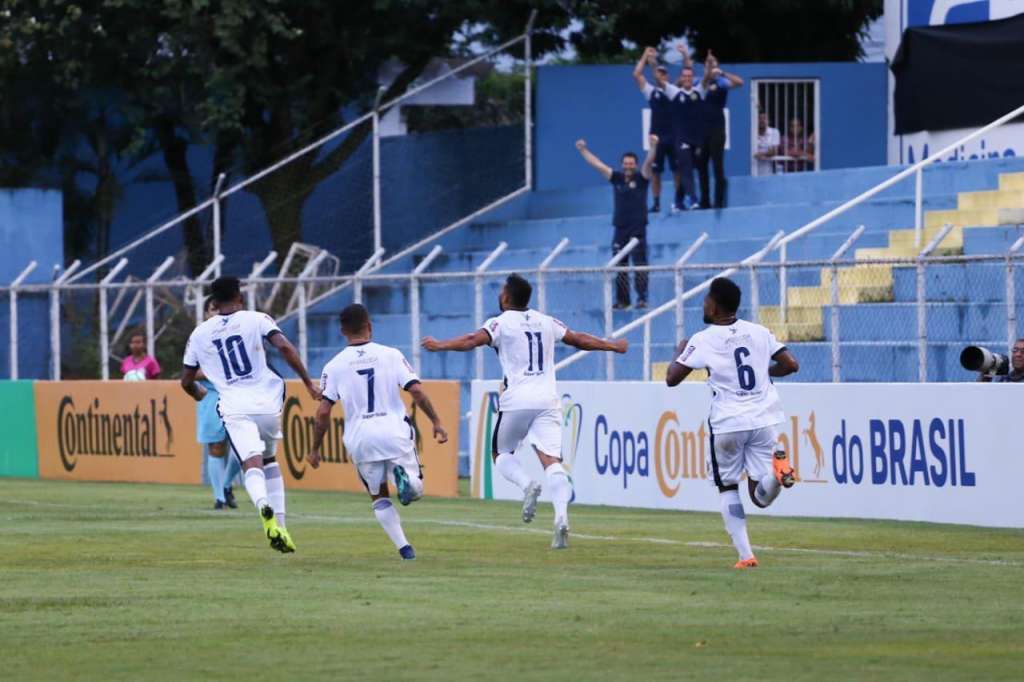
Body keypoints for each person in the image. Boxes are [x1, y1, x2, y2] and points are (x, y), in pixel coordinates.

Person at [421, 274, 628, 549]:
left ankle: (526, 484)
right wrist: (612, 345)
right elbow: (578, 339)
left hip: (517, 399)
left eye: (502, 291)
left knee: (500, 454)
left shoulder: (500, 323)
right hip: (547, 400)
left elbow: (472, 339)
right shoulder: (547, 321)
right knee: (552, 461)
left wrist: (440, 345)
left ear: (507, 297)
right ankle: (561, 517)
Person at [665, 277, 800, 569]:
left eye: (706, 299)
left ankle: (746, 555)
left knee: (728, 488)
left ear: (715, 306)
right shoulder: (759, 331)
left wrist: (679, 351)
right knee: (760, 496)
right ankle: (778, 475)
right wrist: (766, 376)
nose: (703, 304)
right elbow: (791, 364)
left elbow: (672, 379)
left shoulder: (703, 339)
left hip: (728, 422)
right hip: (764, 419)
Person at [180, 276, 322, 554]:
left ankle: (263, 508)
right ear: (240, 297)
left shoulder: (199, 334)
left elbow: (185, 380)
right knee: (270, 461)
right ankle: (280, 525)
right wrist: (306, 382)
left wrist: (197, 393)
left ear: (214, 302)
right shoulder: (257, 319)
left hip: (234, 406)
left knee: (251, 465)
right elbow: (284, 346)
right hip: (266, 402)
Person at [309, 304, 449, 561]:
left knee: (378, 496)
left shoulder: (333, 366)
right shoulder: (391, 355)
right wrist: (436, 421)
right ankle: (406, 480)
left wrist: (315, 448)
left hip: (360, 438)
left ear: (342, 331)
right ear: (370, 326)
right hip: (394, 431)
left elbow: (323, 413)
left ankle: (404, 548)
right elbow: (416, 391)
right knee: (416, 490)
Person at [575, 136, 657, 309]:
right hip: (620, 228)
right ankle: (623, 300)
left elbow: (649, 162)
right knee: (620, 265)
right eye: (626, 163)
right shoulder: (617, 178)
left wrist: (653, 147)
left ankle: (642, 298)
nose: (628, 166)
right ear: (622, 164)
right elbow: (597, 165)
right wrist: (583, 150)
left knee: (640, 264)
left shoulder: (642, 178)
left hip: (638, 228)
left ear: (635, 164)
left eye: (631, 163)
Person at [196, 296, 241, 510]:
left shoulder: (239, 333)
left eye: (219, 308)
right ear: (206, 314)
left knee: (242, 446)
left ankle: (225, 485)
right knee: (216, 447)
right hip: (212, 396)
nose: (216, 312)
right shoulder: (199, 338)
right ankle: (219, 498)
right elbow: (189, 372)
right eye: (212, 309)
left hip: (239, 393)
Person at [633, 46, 679, 213]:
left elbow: (659, 80)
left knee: (677, 170)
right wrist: (645, 55)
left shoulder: (673, 91)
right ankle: (657, 203)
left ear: (667, 76)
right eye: (659, 73)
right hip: (656, 137)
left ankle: (678, 201)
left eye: (663, 73)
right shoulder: (650, 92)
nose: (660, 75)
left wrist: (653, 66)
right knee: (655, 172)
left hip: (673, 136)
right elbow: (636, 75)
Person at [697, 50, 743, 209]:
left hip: (717, 127)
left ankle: (718, 201)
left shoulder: (721, 82)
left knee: (717, 165)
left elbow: (739, 82)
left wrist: (721, 72)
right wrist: (709, 70)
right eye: (708, 64)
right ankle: (704, 201)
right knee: (701, 164)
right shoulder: (700, 82)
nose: (711, 66)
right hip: (702, 129)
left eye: (714, 63)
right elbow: (702, 84)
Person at [672, 43, 706, 211]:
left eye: (689, 76)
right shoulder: (674, 92)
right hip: (681, 139)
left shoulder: (699, 90)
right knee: (686, 169)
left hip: (696, 139)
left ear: (692, 78)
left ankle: (678, 201)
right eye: (684, 76)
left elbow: (705, 78)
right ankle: (693, 199)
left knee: (688, 169)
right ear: (680, 78)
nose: (687, 78)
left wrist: (686, 53)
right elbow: (658, 81)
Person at [753, 107, 781, 176]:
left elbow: (774, 151)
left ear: (768, 121)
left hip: (768, 171)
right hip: (752, 169)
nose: (762, 121)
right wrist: (767, 152)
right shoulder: (751, 133)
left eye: (764, 118)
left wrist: (761, 154)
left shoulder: (774, 132)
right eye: (760, 118)